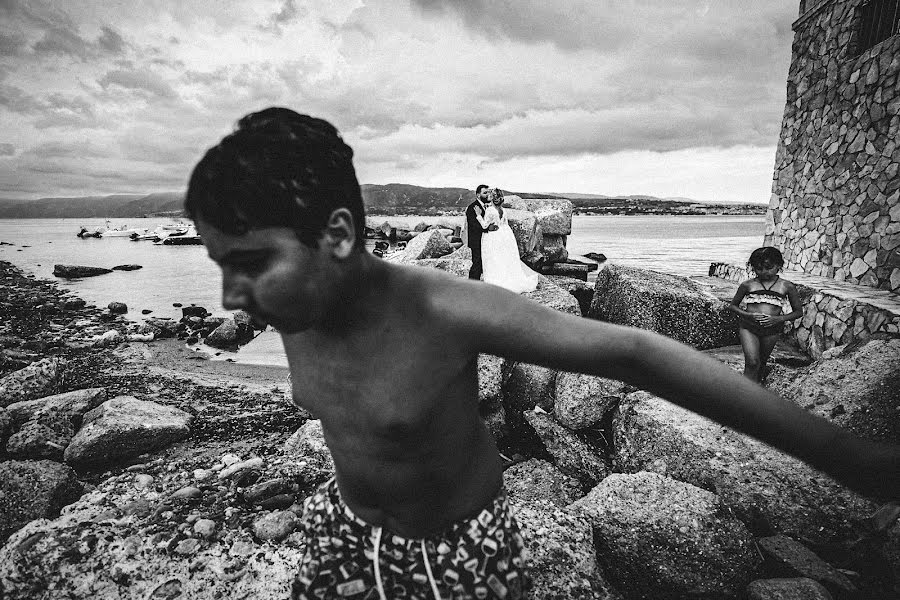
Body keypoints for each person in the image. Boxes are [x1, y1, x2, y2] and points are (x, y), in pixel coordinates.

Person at [185, 108, 899, 600]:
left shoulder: (440, 310)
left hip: (454, 551)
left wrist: (842, 454)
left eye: (248, 263)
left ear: (336, 235)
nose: (229, 297)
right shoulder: (295, 303)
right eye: (221, 265)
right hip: (342, 528)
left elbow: (636, 354)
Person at [728, 247, 802, 382]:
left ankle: (757, 392)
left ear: (778, 266)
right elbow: (733, 306)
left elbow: (798, 312)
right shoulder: (747, 285)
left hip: (772, 330)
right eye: (759, 268)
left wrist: (778, 319)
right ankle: (743, 394)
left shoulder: (786, 286)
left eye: (768, 268)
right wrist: (747, 315)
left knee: (761, 363)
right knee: (752, 362)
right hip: (749, 327)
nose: (764, 272)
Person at [476, 188, 539, 293]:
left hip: (493, 237)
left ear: (492, 198)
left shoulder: (490, 210)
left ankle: (496, 280)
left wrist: (478, 215)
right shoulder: (503, 210)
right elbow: (504, 224)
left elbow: (484, 225)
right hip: (504, 236)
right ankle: (506, 277)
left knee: (493, 257)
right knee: (503, 257)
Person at [465, 185, 496, 280]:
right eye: (485, 193)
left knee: (483, 263)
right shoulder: (472, 207)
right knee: (477, 263)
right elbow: (474, 225)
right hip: (476, 240)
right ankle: (472, 284)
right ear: (478, 195)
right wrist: (488, 228)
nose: (488, 195)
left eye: (488, 192)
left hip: (485, 240)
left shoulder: (486, 207)